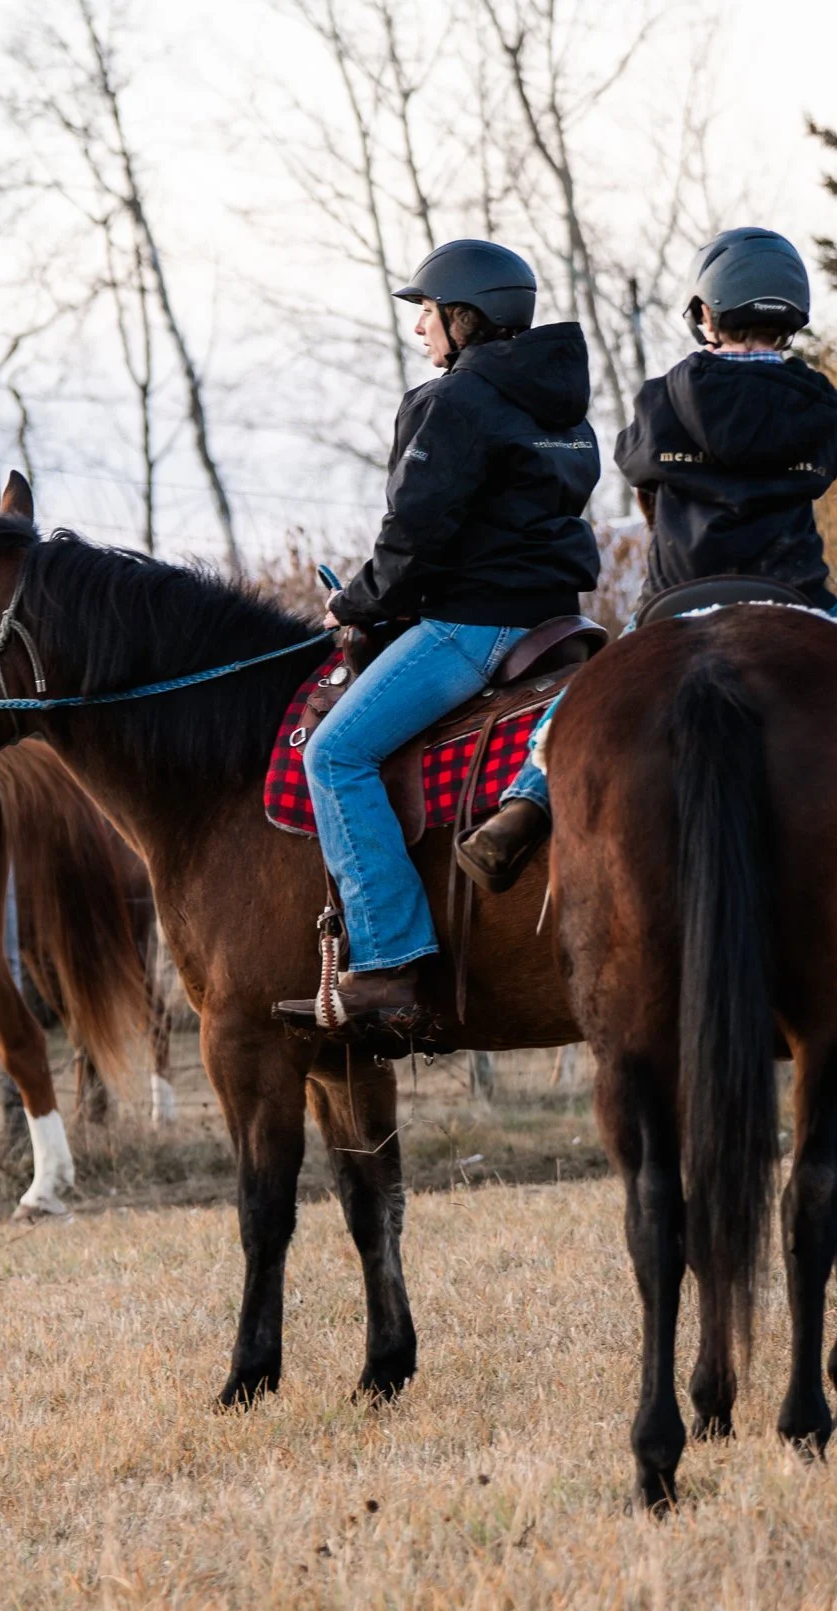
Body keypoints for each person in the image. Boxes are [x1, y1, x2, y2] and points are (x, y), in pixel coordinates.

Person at [454, 226, 837, 894]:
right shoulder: (818, 403)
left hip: (680, 596)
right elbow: (816, 475)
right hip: (793, 593)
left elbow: (631, 460)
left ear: (705, 312)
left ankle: (524, 805)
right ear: (792, 314)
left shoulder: (661, 396)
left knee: (583, 696)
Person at [306, 239, 603, 1023]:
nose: (420, 330)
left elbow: (414, 536)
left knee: (336, 754)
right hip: (558, 616)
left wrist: (356, 604)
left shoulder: (451, 403)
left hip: (476, 626)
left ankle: (390, 959)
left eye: (428, 313)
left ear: (464, 317)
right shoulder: (563, 409)